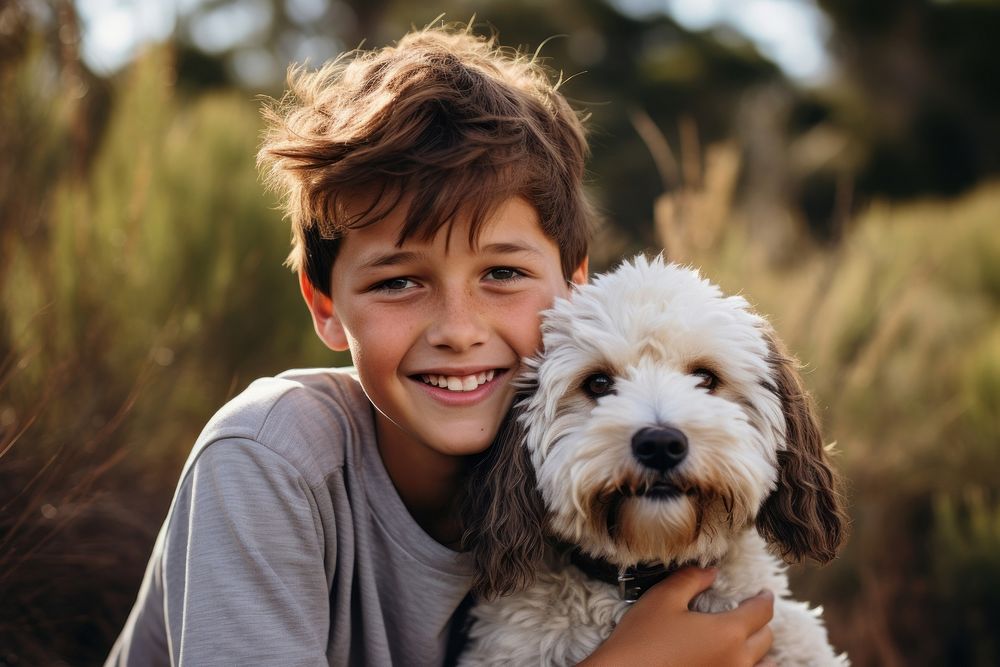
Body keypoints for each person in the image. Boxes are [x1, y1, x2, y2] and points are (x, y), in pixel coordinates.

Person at [106, 23, 775, 666]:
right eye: (399, 281)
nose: (458, 329)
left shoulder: (599, 484)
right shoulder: (269, 463)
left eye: (503, 274)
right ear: (326, 306)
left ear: (577, 286)